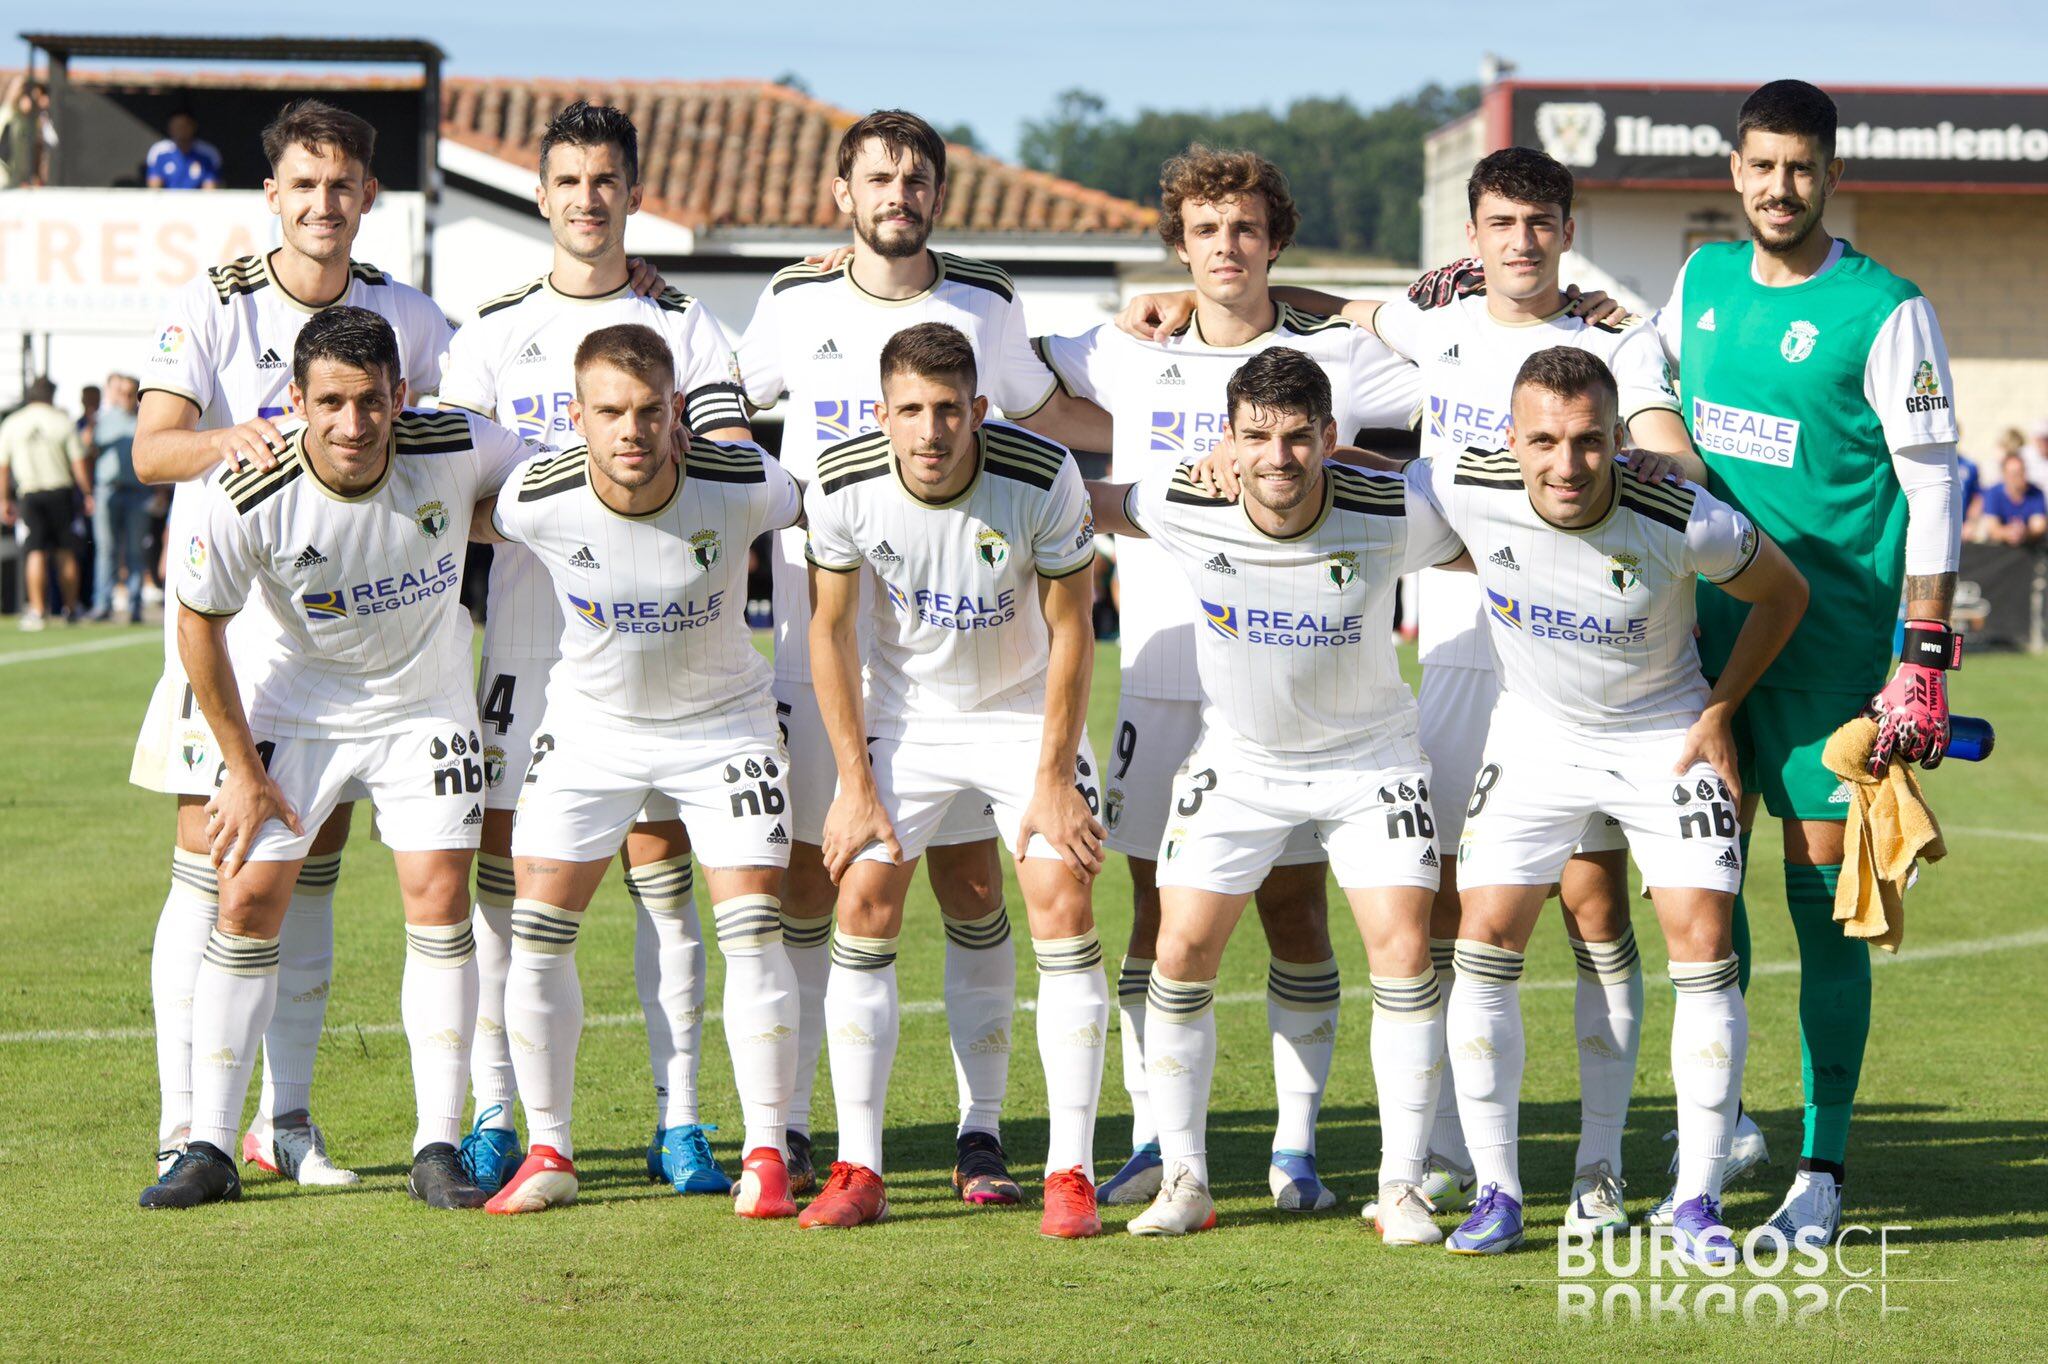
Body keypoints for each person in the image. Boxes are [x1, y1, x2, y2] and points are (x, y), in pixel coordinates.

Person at [735, 108, 1110, 1203]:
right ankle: (813, 1137)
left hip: (998, 687)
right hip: (855, 668)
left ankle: (1002, 1141)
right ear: (841, 192)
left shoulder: (987, 304)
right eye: (877, 176)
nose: (897, 191)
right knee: (830, 880)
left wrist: (1189, 396)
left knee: (984, 881)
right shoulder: (793, 300)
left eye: (915, 176)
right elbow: (717, 401)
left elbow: (1064, 414)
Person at [1037, 145, 1419, 1212]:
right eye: (1204, 232)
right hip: (1165, 670)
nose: (1224, 249)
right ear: (1177, 244)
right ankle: (1158, 1137)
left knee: (1296, 909)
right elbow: (995, 365)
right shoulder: (1123, 348)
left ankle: (1296, 1147)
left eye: (1244, 230)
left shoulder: (1334, 357)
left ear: (1274, 241)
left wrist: (1354, 463)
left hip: (1304, 687)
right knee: (1158, 914)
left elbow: (1467, 370)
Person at [1649, 80, 1963, 1243]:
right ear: (1731, 170)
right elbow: (1646, 393)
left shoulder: (1887, 310)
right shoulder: (1701, 282)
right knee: (1699, 892)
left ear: (1830, 174)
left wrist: (1920, 654)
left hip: (1831, 657)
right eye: (1759, 165)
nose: (1778, 187)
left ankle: (1821, 1166)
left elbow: (1932, 482)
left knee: (1823, 899)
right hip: (1697, 649)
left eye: (1800, 168)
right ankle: (1723, 1114)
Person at [139, 307, 530, 1210]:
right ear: (295, 401)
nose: (353, 424)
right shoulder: (250, 488)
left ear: (401, 395)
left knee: (438, 898)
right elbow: (199, 627)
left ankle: (437, 1145)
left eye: (370, 401)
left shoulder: (459, 441)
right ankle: (208, 1145)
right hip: (297, 709)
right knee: (245, 899)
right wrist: (242, 769)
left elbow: (549, 481)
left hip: (424, 705)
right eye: (331, 403)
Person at [433, 99, 754, 1198]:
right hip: (530, 641)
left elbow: (722, 467)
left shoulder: (688, 327)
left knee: (663, 880)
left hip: (669, 661)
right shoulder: (490, 333)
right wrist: (544, 519)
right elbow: (451, 495)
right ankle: (495, 1110)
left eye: (604, 180)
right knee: (508, 883)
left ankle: (683, 1120)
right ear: (541, 194)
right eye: (566, 181)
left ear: (631, 190)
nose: (586, 199)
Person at [131, 98, 453, 1186]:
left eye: (342, 185)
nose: (323, 204)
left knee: (308, 872)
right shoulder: (215, 303)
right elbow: (150, 450)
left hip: (353, 637)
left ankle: (289, 1118)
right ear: (273, 195)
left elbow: (451, 434)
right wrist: (243, 437)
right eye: (302, 185)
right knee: (213, 870)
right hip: (229, 627)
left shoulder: (408, 314)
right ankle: (191, 1122)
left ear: (369, 195)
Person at [1428, 347, 1807, 1261]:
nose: (1567, 465)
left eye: (1590, 442)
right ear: (1510, 441)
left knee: (1705, 944)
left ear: (1616, 440)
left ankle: (1695, 1204)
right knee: (1483, 939)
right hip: (1535, 738)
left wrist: (1720, 709)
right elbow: (1332, 482)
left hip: (1662, 735)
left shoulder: (1684, 518)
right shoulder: (1460, 483)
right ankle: (1499, 1192)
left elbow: (1785, 592)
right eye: (1546, 442)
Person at [1085, 346, 1462, 1243]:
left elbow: (1509, 532)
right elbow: (1081, 504)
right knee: (1178, 947)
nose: (1279, 457)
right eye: (1257, 436)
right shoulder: (1186, 500)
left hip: (1371, 761)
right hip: (1242, 763)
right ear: (1229, 439)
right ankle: (1185, 1178)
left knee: (1405, 948)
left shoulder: (1391, 511)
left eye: (1300, 437)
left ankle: (1402, 1186)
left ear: (1331, 437)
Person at [470, 324, 804, 1219]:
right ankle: (550, 1150)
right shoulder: (535, 494)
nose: (632, 431)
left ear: (678, 417)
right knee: (536, 929)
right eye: (611, 412)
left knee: (753, 930)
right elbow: (441, 505)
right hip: (590, 729)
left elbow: (835, 507)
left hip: (724, 727)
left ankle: (767, 1154)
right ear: (574, 418)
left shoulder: (743, 484)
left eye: (651, 411)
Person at [799, 321, 1108, 1237]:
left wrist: (1053, 776)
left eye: (947, 412)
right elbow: (828, 631)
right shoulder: (843, 481)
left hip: (1022, 716)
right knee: (861, 898)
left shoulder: (1042, 473)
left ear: (977, 409)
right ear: (881, 414)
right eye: (910, 413)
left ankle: (1070, 1172)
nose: (930, 433)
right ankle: (861, 1167)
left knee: (1063, 899)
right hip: (910, 719)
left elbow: (1075, 630)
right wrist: (854, 782)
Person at [0, 377, 90, 628]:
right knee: (65, 551)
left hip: (30, 494)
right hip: (60, 492)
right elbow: (78, 464)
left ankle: (38, 611)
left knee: (35, 551)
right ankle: (71, 609)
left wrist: (4, 499)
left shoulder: (13, 423)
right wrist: (87, 493)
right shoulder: (62, 421)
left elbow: (3, 467)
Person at [90, 374, 150, 623]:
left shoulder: (145, 419)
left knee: (136, 551)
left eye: (129, 393)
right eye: (121, 393)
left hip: (138, 492)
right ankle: (102, 604)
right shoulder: (105, 419)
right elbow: (88, 449)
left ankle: (135, 606)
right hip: (108, 490)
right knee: (106, 549)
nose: (125, 398)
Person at [1977, 452, 2046, 546]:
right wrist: (2007, 533)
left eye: (2021, 472)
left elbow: (2038, 525)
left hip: (2029, 545)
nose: (2019, 477)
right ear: (2004, 475)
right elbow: (1992, 526)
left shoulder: (2036, 493)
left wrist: (2024, 532)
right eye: (2014, 474)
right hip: (2000, 547)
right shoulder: (1993, 493)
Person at [146, 113, 223, 190]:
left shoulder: (208, 153)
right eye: (177, 126)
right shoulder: (159, 151)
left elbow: (210, 190)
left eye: (184, 126)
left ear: (194, 127)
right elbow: (154, 189)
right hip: (168, 201)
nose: (181, 130)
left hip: (197, 201)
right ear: (170, 128)